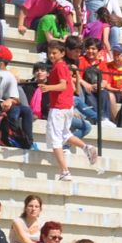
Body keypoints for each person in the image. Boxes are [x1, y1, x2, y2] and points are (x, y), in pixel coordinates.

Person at [42, 39, 101, 180]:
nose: (51, 55)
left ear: (62, 53)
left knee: (55, 140)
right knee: (65, 135)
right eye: (49, 53)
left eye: (54, 53)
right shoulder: (64, 67)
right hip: (66, 106)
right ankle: (86, 147)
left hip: (59, 107)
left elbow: (62, 86)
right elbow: (73, 88)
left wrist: (48, 87)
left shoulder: (59, 67)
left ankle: (64, 171)